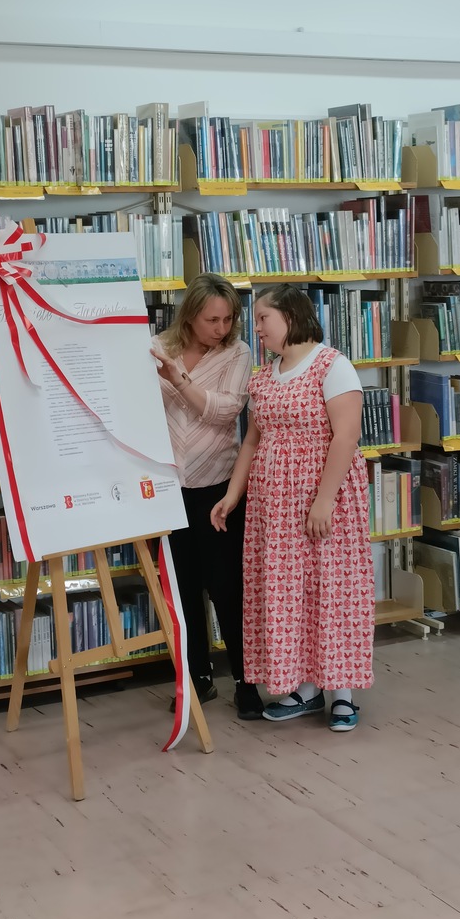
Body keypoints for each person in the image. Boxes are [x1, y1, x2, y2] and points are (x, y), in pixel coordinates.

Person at [211, 284, 374, 732]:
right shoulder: (264, 377)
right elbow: (252, 441)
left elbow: (346, 436)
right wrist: (233, 495)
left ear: (291, 316)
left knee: (331, 588)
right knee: (289, 592)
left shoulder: (332, 365)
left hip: (323, 498)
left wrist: (323, 501)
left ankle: (342, 694)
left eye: (264, 318)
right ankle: (305, 688)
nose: (257, 328)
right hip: (275, 506)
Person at [150, 272, 264, 720]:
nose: (221, 328)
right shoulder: (157, 347)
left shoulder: (238, 353)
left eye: (228, 318)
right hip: (165, 490)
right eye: (211, 320)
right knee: (181, 591)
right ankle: (197, 677)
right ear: (190, 317)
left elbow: (226, 411)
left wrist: (179, 381)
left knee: (227, 588)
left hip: (217, 488)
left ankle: (246, 682)